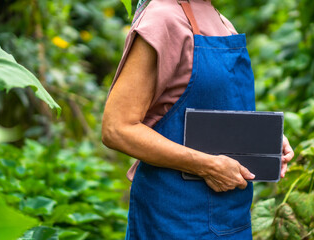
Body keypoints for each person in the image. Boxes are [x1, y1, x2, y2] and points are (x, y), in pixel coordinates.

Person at [102, 0, 294, 239]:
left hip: (231, 218)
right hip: (175, 219)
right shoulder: (163, 17)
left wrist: (265, 140)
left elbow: (220, 112)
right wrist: (206, 166)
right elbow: (117, 128)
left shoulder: (222, 22)